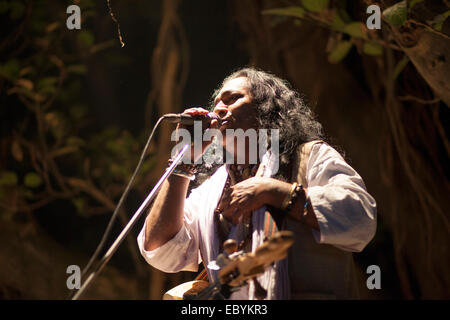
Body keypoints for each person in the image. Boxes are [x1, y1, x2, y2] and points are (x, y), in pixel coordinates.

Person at [137, 68, 377, 299]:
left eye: (233, 99)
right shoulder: (212, 189)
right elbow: (159, 248)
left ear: (267, 109)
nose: (219, 108)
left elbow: (360, 218)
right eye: (217, 102)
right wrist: (185, 162)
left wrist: (274, 192)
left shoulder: (310, 157)